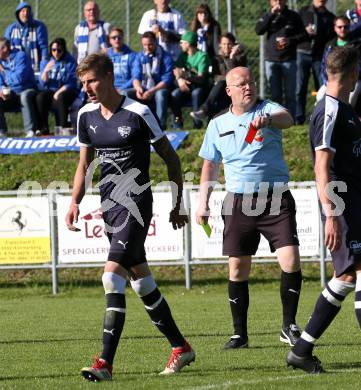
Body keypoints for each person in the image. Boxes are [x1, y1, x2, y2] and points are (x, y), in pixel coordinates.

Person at [65, 53, 195, 381]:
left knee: (111, 278)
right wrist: (74, 201)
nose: (88, 88)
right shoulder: (85, 116)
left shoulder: (139, 112)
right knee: (143, 283)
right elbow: (84, 164)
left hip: (136, 206)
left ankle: (104, 364)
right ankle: (180, 347)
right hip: (108, 208)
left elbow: (171, 158)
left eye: (92, 80)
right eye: (83, 83)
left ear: (109, 76)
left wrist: (179, 203)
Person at [196, 66, 303, 350]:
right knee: (237, 268)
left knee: (290, 259)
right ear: (228, 90)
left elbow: (288, 119)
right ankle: (239, 334)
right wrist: (203, 202)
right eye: (241, 84)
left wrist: (266, 121)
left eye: (251, 82)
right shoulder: (217, 124)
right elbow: (210, 165)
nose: (248, 87)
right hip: (238, 201)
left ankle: (288, 325)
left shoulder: (267, 109)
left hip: (275, 197)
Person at [286, 46, 361, 374]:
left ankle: (301, 350)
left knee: (352, 274)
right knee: (346, 275)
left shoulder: (342, 107)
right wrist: (331, 214)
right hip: (341, 205)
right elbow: (321, 166)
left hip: (352, 203)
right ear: (353, 73)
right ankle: (301, 350)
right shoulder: (327, 111)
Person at [255, 0, 307, 119]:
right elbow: (258, 30)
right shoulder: (267, 15)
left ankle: (291, 120)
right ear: (270, 2)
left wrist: (290, 40)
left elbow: (304, 35)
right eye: (275, 0)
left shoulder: (293, 16)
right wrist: (271, 14)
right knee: (275, 95)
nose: (278, 2)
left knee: (290, 94)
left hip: (289, 59)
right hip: (271, 59)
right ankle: (276, 120)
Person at [191, 32, 247, 122]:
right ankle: (209, 119)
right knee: (220, 86)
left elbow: (235, 74)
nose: (226, 46)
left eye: (229, 44)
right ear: (220, 45)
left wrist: (232, 57)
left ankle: (204, 111)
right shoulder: (216, 58)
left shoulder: (239, 57)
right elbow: (214, 76)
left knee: (221, 85)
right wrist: (226, 79)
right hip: (219, 88)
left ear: (234, 45)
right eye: (224, 44)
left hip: (235, 88)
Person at [296, 0, 335, 125]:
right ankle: (299, 119)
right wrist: (305, 32)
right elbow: (294, 32)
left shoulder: (330, 17)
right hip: (302, 53)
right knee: (300, 87)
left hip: (319, 57)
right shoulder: (303, 12)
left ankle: (320, 118)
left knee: (322, 88)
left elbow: (331, 39)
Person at [127, 32, 173, 130]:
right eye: (144, 45)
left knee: (160, 94)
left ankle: (161, 126)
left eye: (150, 44)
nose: (147, 47)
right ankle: (131, 125)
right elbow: (135, 76)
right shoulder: (140, 57)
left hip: (159, 88)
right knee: (126, 93)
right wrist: (138, 88)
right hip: (144, 87)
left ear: (156, 42)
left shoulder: (165, 57)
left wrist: (152, 91)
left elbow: (167, 79)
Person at [36, 38, 78, 135]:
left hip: (67, 90)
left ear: (63, 50)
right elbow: (42, 84)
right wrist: (46, 70)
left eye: (59, 50)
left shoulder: (70, 61)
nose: (56, 53)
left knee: (61, 97)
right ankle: (44, 129)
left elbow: (72, 82)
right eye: (53, 50)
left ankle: (62, 128)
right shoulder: (46, 60)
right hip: (51, 90)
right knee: (40, 97)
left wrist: (58, 92)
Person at [316, 16, 361, 108]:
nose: (342, 29)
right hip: (332, 80)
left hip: (353, 79)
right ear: (335, 28)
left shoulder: (357, 45)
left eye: (346, 27)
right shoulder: (329, 46)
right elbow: (324, 66)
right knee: (320, 96)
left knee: (350, 100)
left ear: (350, 27)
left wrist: (351, 78)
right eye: (340, 27)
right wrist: (327, 82)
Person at [171, 31, 210, 129]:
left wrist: (186, 76)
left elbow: (201, 78)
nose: (180, 44)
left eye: (182, 42)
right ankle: (177, 124)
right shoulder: (183, 55)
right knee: (175, 94)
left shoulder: (202, 56)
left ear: (188, 43)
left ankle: (197, 125)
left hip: (200, 86)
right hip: (186, 86)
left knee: (196, 94)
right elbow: (176, 70)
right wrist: (180, 80)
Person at [0, 37, 37, 138]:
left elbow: (20, 79)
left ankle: (30, 131)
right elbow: (1, 81)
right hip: (10, 92)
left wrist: (4, 72)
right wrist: (2, 89)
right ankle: (2, 132)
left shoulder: (21, 56)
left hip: (27, 89)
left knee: (24, 96)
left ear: (4, 48)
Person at [5, 1, 48, 73]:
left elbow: (44, 47)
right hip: (16, 68)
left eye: (28, 11)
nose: (25, 14)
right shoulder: (11, 28)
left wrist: (43, 66)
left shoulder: (39, 27)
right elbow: (5, 48)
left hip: (34, 67)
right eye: (23, 11)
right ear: (18, 13)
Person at [107, 27, 135, 94]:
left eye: (119, 37)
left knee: (123, 93)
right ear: (109, 40)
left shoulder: (132, 55)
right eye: (114, 38)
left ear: (123, 38)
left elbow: (135, 77)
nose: (117, 40)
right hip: (109, 88)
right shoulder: (106, 55)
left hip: (126, 88)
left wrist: (121, 89)